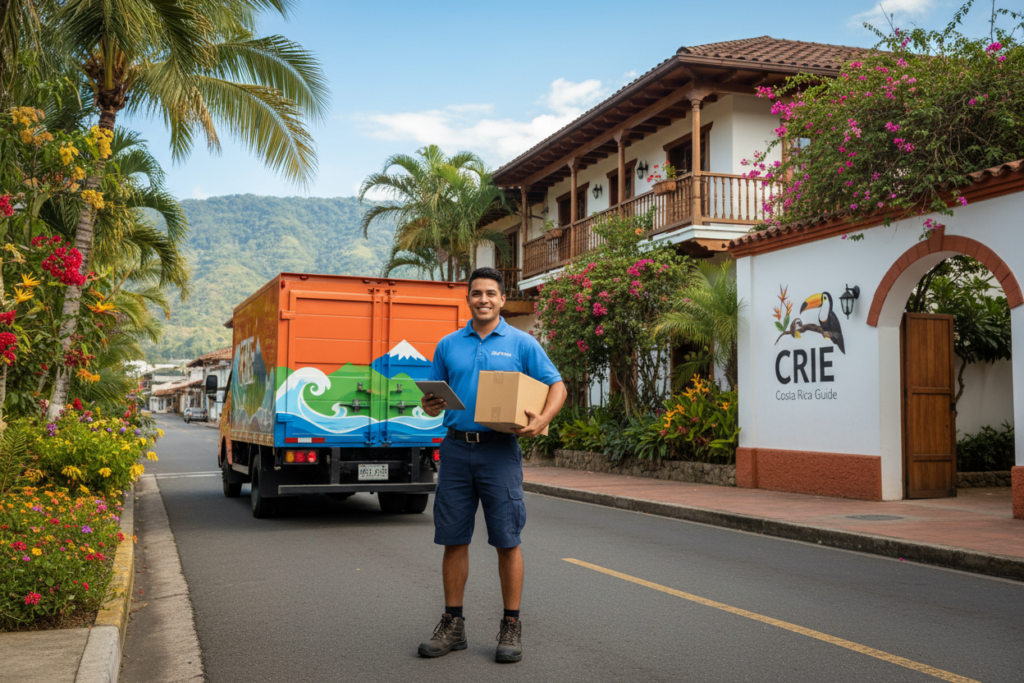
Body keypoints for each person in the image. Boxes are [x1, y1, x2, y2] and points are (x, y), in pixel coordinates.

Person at [417, 267, 566, 664]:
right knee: (453, 538)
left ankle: (511, 625)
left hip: (500, 451)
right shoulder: (448, 345)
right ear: (468, 299)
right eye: (476, 293)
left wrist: (544, 418)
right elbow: (432, 399)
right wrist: (428, 404)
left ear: (502, 299)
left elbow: (557, 385)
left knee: (506, 539)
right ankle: (453, 624)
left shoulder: (522, 343)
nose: (483, 299)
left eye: (491, 293)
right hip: (455, 450)